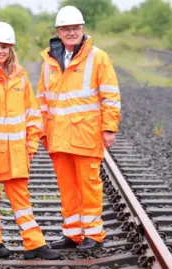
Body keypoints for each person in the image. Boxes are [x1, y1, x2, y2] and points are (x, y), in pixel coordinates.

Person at [0, 22, 61, 260]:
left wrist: (32, 143)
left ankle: (34, 244)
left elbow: (32, 113)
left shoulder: (20, 77)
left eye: (4, 47)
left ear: (11, 50)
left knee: (21, 199)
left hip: (16, 152)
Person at [36, 6, 121, 252]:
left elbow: (111, 97)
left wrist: (109, 128)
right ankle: (72, 234)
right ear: (59, 32)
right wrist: (42, 130)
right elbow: (41, 98)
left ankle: (93, 235)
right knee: (67, 188)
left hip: (86, 135)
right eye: (66, 29)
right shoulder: (49, 61)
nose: (71, 32)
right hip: (58, 137)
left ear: (82, 29)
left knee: (89, 186)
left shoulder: (98, 57)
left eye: (75, 28)